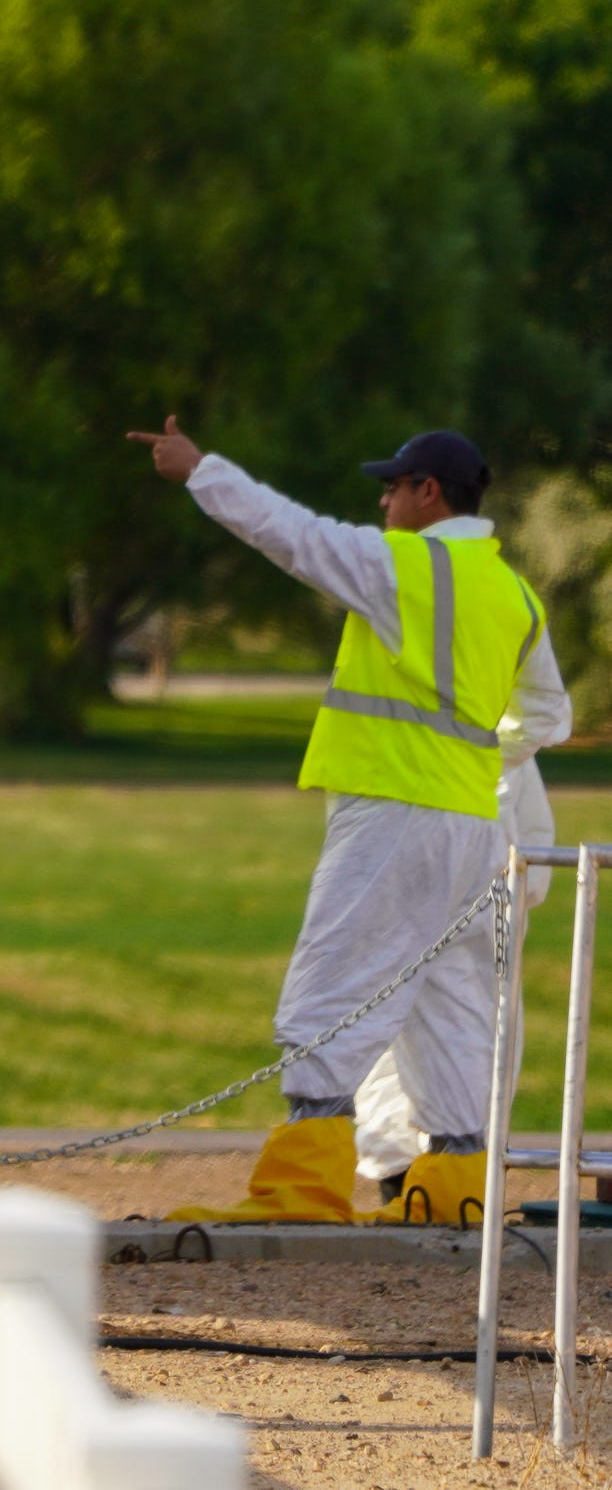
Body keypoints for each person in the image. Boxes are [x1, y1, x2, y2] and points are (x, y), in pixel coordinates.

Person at [127, 421, 569, 1226]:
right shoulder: (515, 595)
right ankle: (455, 1191)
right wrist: (481, 758)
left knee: (333, 987)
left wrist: (200, 471)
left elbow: (289, 534)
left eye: (394, 486)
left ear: (428, 493)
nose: (383, 499)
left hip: (391, 811)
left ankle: (303, 1190)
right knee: (452, 1003)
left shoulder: (403, 565)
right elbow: (549, 714)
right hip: (472, 827)